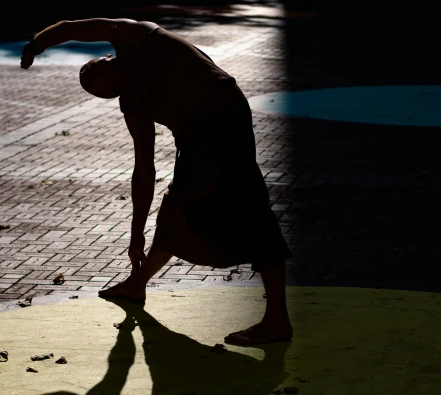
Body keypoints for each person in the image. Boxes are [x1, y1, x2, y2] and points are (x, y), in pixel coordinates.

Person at [20, 18, 292, 346]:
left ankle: (276, 320)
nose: (88, 71)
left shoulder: (136, 36)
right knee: (180, 205)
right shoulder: (133, 105)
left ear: (106, 58)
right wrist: (135, 235)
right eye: (90, 84)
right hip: (198, 133)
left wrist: (36, 45)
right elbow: (144, 170)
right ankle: (138, 283)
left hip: (220, 113)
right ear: (109, 94)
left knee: (248, 210)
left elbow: (71, 27)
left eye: (92, 66)